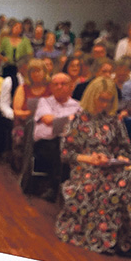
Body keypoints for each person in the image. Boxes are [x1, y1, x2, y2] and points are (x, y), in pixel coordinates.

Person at [56, 77, 131, 254]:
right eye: (101, 99)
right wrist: (90, 158)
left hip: (111, 164)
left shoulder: (114, 121)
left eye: (108, 100)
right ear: (92, 97)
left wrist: (116, 157)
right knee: (107, 185)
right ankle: (109, 239)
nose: (104, 104)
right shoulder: (77, 120)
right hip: (86, 166)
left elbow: (126, 150)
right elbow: (66, 154)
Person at [31, 73, 81, 201]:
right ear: (51, 88)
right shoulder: (44, 101)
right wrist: (69, 119)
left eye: (63, 84)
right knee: (57, 150)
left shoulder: (78, 106)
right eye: (56, 84)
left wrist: (61, 121)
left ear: (71, 87)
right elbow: (47, 120)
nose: (59, 87)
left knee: (70, 150)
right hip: (45, 143)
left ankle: (69, 189)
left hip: (69, 141)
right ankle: (55, 187)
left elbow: (80, 125)